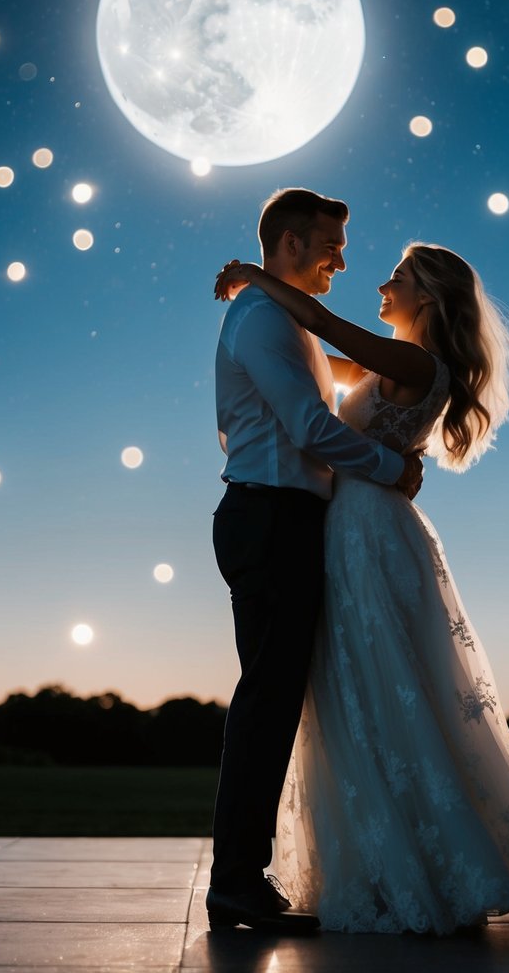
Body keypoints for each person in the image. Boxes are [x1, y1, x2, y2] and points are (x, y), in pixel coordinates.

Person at [214, 242, 509, 934]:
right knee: (366, 687)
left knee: (380, 684)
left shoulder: (414, 362)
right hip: (359, 521)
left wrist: (256, 279)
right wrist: (251, 332)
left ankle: (419, 864)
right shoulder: (392, 364)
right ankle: (397, 853)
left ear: (429, 298)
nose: (382, 284)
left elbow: (326, 332)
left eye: (399, 277)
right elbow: (308, 366)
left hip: (366, 526)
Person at [206, 188, 423, 933]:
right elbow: (305, 428)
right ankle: (235, 881)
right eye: (330, 243)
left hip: (281, 515)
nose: (342, 258)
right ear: (291, 242)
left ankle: (242, 876)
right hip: (270, 516)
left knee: (272, 702)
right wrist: (389, 468)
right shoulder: (265, 319)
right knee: (267, 703)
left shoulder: (281, 318)